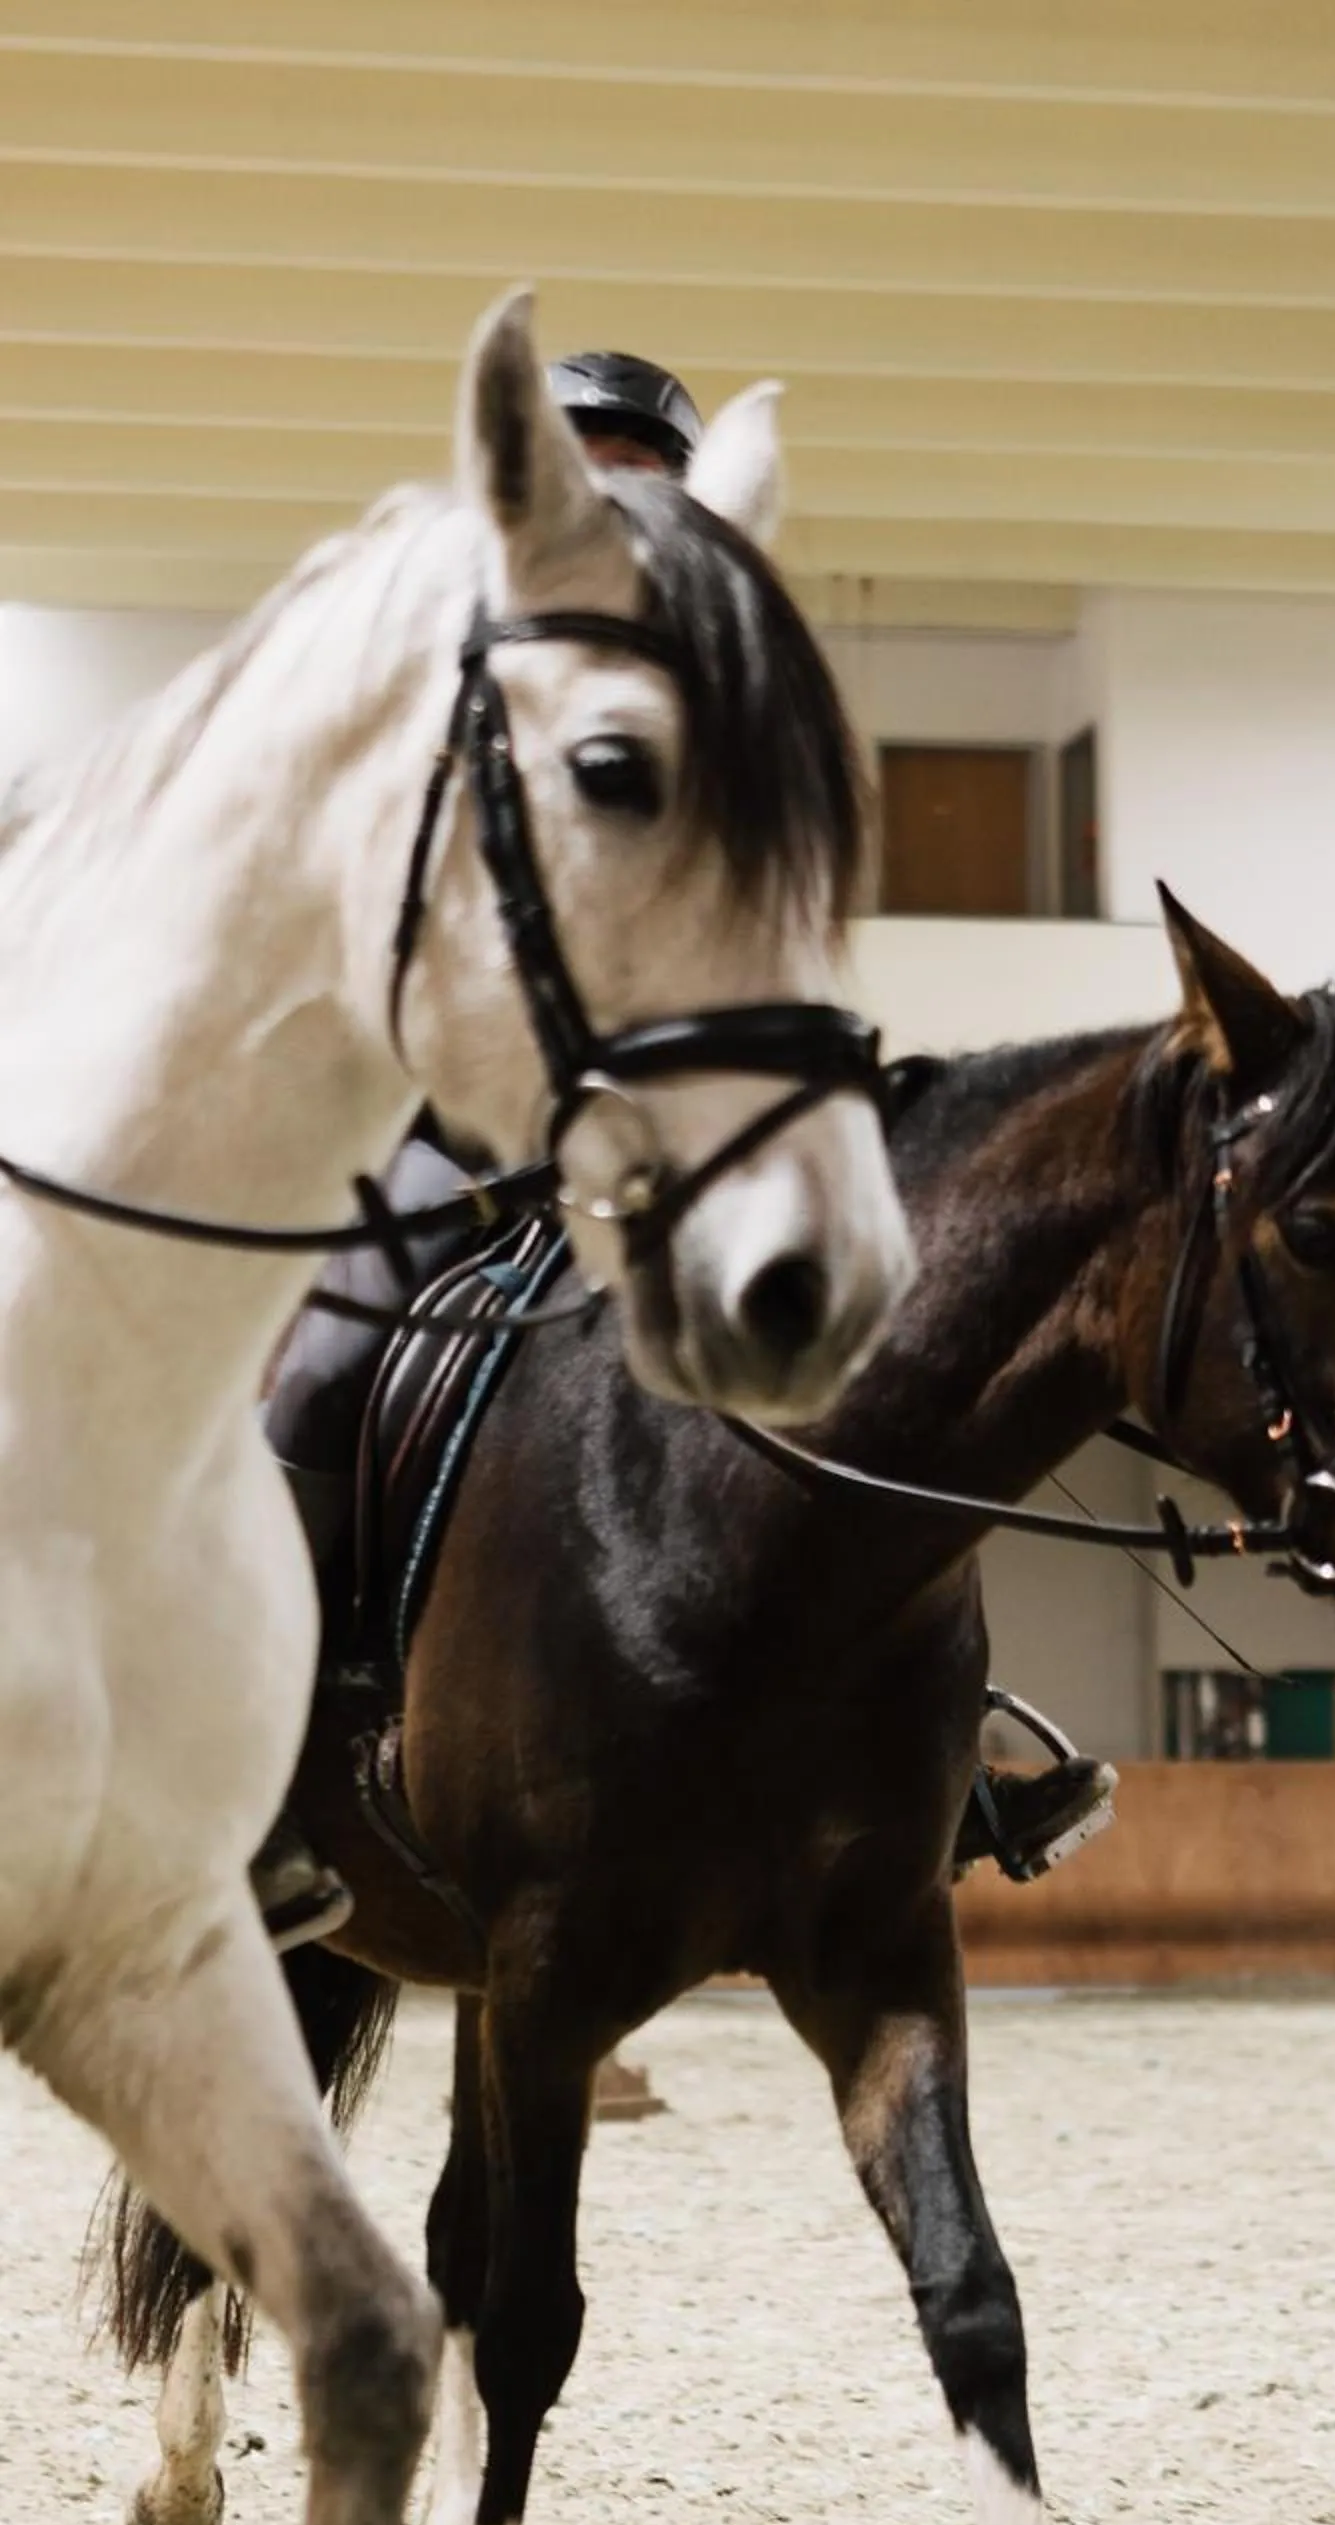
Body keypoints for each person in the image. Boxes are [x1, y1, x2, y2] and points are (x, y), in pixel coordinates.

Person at [250, 348, 1113, 1950]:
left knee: (875, 1364)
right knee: (318, 1376)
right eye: (600, 478)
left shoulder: (710, 716)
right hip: (449, 1126)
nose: (629, 515)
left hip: (652, 1140)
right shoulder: (446, 675)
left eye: (653, 483)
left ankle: (940, 1754)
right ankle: (280, 1758)